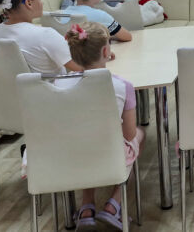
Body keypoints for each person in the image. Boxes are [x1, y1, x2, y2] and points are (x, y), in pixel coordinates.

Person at [61, 22, 145, 231]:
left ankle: (86, 207)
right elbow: (129, 134)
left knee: (85, 143)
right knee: (140, 135)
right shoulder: (122, 86)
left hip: (69, 155)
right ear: (106, 52)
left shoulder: (59, 84)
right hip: (107, 153)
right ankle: (114, 204)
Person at [0, 0, 82, 74]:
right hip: (54, 84)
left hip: (9, 84)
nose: (42, 3)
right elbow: (81, 68)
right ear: (29, 3)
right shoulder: (46, 35)